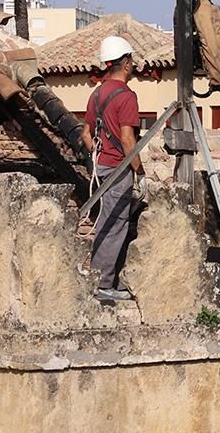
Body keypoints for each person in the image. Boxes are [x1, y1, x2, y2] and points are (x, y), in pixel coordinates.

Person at [84, 35, 145, 302]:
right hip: (119, 169)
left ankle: (104, 279)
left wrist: (99, 156)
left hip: (102, 167)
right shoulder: (126, 97)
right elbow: (127, 138)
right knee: (115, 224)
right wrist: (139, 172)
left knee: (106, 220)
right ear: (127, 63)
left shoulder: (96, 93)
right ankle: (103, 284)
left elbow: (86, 134)